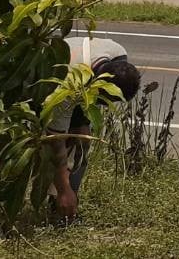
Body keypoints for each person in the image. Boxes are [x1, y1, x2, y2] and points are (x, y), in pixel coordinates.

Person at [47, 35, 141, 223]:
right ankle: (60, 201)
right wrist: (63, 189)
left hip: (84, 83)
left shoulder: (118, 54)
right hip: (45, 84)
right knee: (61, 147)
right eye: (105, 100)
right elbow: (54, 141)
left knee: (82, 141)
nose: (105, 105)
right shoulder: (68, 82)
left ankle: (68, 205)